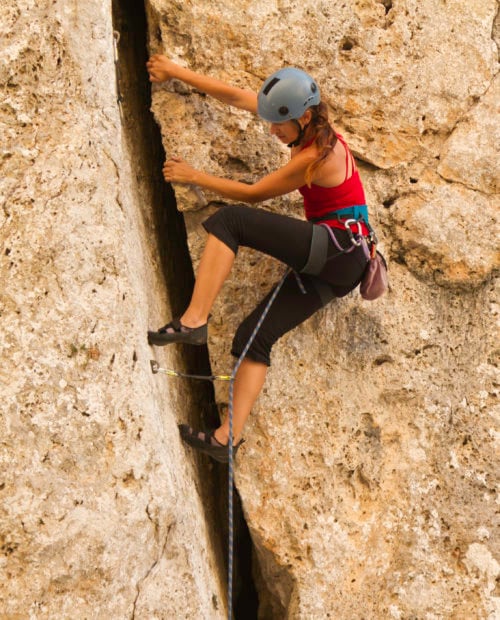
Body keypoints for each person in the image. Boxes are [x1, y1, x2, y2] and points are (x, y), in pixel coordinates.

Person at [146, 55, 373, 463]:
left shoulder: (314, 156)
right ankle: (225, 439)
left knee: (232, 221)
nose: (271, 130)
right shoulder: (302, 119)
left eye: (277, 125)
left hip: (339, 249)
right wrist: (176, 72)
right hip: (342, 264)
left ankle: (193, 321)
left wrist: (194, 176)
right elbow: (235, 96)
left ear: (302, 118)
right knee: (253, 336)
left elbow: (253, 195)